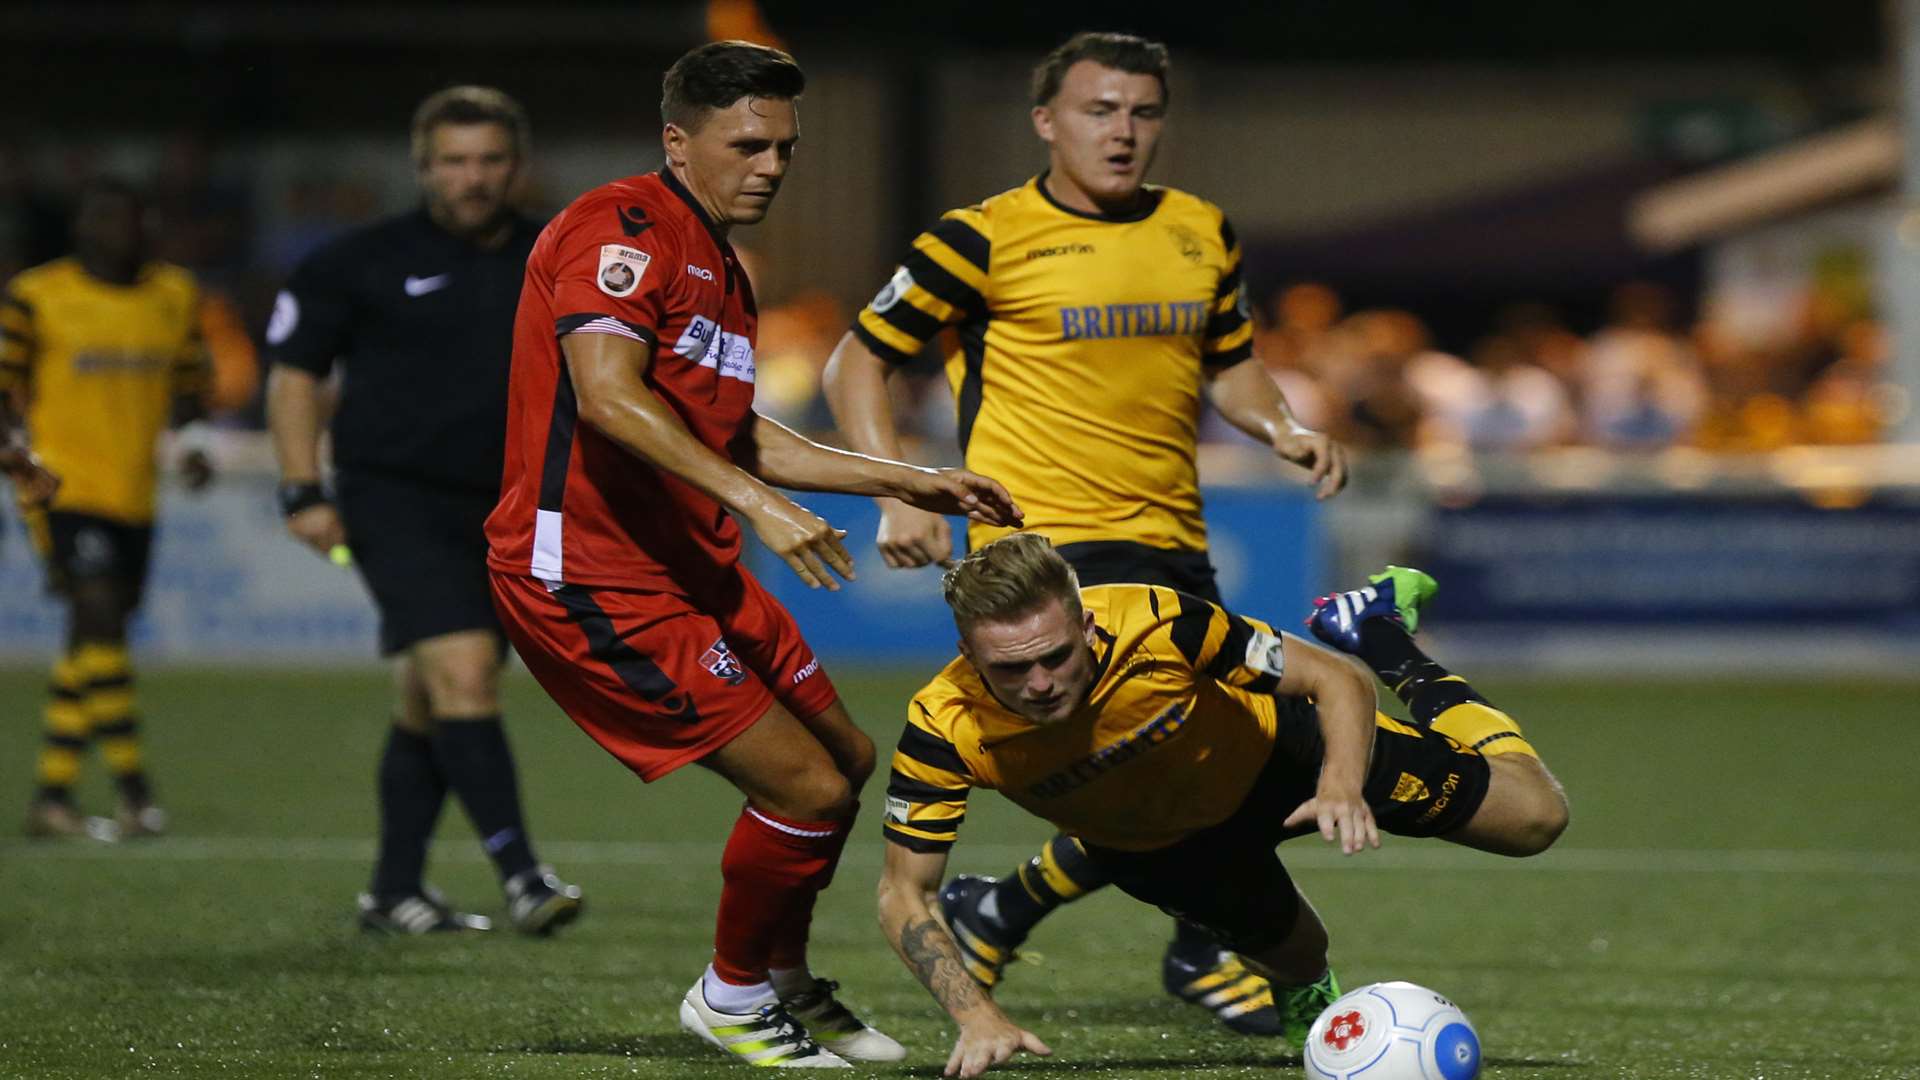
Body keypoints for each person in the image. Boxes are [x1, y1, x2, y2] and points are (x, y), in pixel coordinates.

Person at [482, 41, 1021, 1068]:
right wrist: (758, 507)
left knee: (849, 761)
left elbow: (738, 432)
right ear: (678, 141)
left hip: (683, 565)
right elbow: (606, 397)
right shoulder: (620, 226)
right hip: (589, 574)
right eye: (747, 144)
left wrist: (901, 479)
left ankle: (778, 979)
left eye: (784, 147)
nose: (770, 165)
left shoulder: (722, 265)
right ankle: (730, 999)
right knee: (807, 792)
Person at [822, 30, 1349, 1034]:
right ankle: (1194, 947)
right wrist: (896, 490)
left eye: (1143, 113)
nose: (1123, 132)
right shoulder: (980, 237)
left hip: (1172, 540)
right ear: (1046, 121)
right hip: (1042, 544)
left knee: (1216, 757)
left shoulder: (1202, 230)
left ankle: (1045, 913)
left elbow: (1231, 361)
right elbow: (859, 357)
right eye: (1099, 110)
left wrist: (1281, 425)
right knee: (1143, 759)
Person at [876, 533, 1570, 1076]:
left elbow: (1333, 678)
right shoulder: (943, 727)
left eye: (1055, 656)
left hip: (1283, 757)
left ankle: (1382, 631)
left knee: (1536, 817)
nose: (1039, 684)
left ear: (1086, 625)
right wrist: (975, 1015)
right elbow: (904, 893)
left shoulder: (1159, 620)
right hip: (1167, 851)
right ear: (967, 651)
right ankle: (1325, 1033)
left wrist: (1340, 781)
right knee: (1301, 956)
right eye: (1009, 668)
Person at [265, 87, 582, 936]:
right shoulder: (357, 261)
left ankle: (392, 890)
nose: (472, 178)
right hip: (394, 498)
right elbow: (295, 375)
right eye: (454, 161)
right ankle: (522, 876)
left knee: (430, 695)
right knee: (465, 674)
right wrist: (302, 488)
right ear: (422, 166)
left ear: (516, 165)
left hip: (514, 508)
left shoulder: (559, 254)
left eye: (489, 160)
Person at [2, 179, 214, 841]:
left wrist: (193, 445)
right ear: (81, 228)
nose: (115, 230)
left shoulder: (174, 294)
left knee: (90, 643)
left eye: (126, 218)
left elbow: (188, 384)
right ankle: (135, 791)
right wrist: (15, 452)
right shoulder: (36, 296)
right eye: (101, 218)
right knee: (97, 614)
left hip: (134, 490)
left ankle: (52, 795)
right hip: (62, 486)